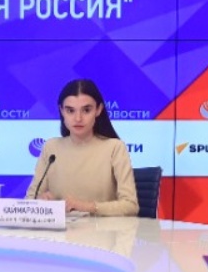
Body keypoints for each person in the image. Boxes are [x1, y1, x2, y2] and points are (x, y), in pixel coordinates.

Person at [26, 79, 138, 216]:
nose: (78, 118)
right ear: (61, 111)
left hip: (102, 229)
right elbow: (30, 199)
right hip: (61, 229)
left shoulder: (114, 148)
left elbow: (130, 205)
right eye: (70, 110)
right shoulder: (51, 148)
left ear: (98, 110)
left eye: (86, 110)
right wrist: (40, 202)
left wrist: (87, 207)